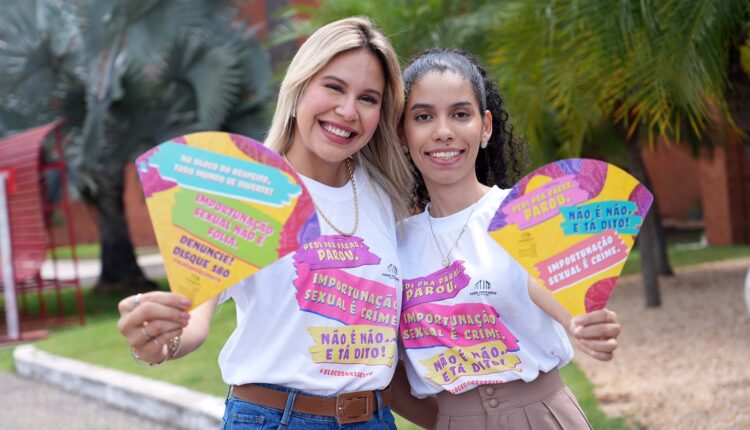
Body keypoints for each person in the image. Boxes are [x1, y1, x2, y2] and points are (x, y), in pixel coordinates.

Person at [117, 17, 435, 429]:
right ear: (300, 86)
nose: (347, 111)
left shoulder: (387, 194)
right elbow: (194, 318)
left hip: (373, 419)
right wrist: (161, 339)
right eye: (333, 87)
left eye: (368, 98)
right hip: (273, 419)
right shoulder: (247, 188)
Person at [397, 48, 621, 429]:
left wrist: (581, 323)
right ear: (402, 133)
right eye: (423, 117)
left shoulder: (522, 215)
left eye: (460, 114)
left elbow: (547, 286)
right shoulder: (396, 242)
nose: (443, 131)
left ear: (485, 127)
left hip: (544, 417)